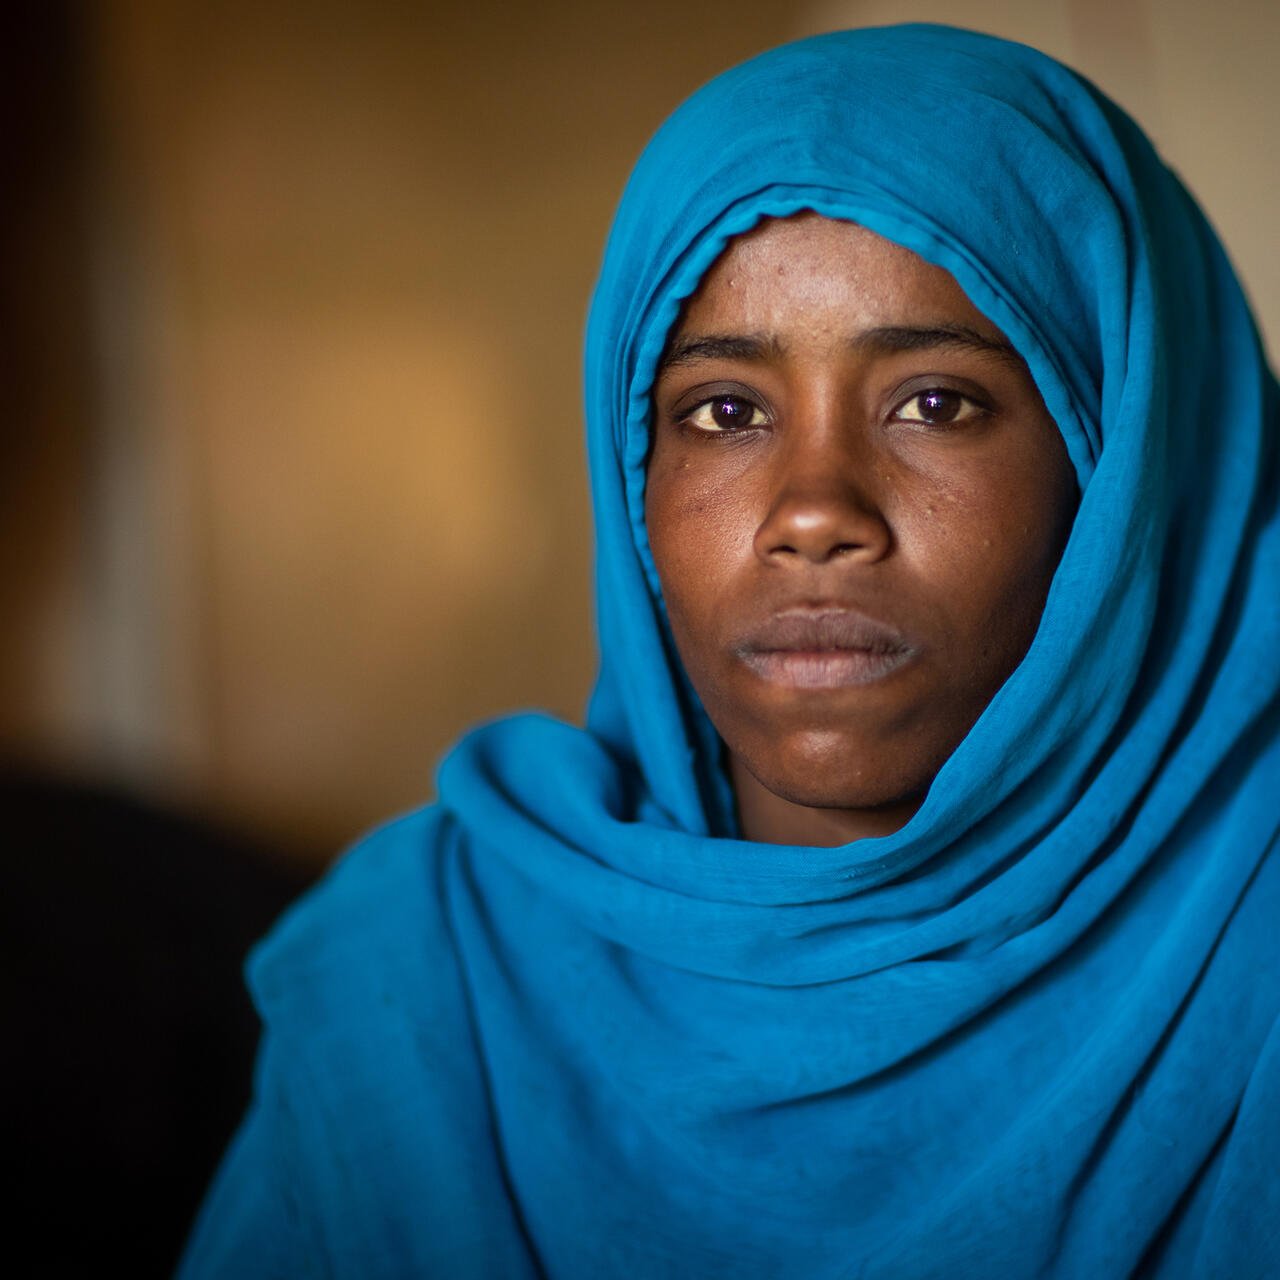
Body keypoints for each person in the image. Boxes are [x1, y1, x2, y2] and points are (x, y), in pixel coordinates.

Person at [178, 24, 1279, 1279]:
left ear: (1129, 472)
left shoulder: (1249, 939)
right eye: (723, 411)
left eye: (934, 401)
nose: (812, 509)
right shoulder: (430, 978)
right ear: (630, 486)